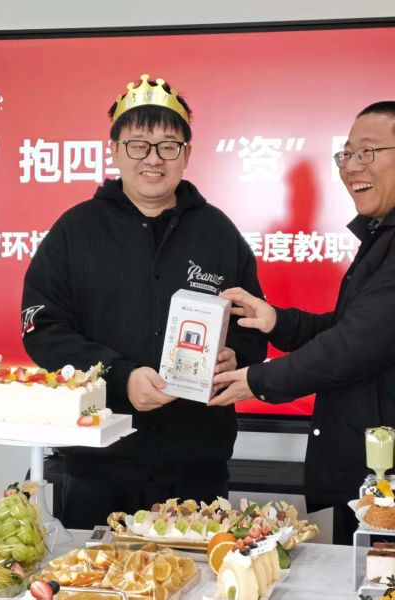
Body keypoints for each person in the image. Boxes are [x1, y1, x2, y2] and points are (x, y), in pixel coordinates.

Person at [210, 101, 395, 544]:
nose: (352, 166)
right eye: (346, 154)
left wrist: (258, 380)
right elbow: (354, 327)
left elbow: (360, 343)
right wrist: (276, 322)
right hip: (384, 475)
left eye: (368, 152)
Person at [21, 74, 267, 529]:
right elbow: (44, 329)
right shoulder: (75, 231)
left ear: (186, 154)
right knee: (91, 571)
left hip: (196, 461)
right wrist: (121, 376)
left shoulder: (218, 232)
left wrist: (236, 355)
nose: (153, 159)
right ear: (115, 150)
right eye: (138, 145)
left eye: (168, 146)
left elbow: (253, 329)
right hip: (98, 458)